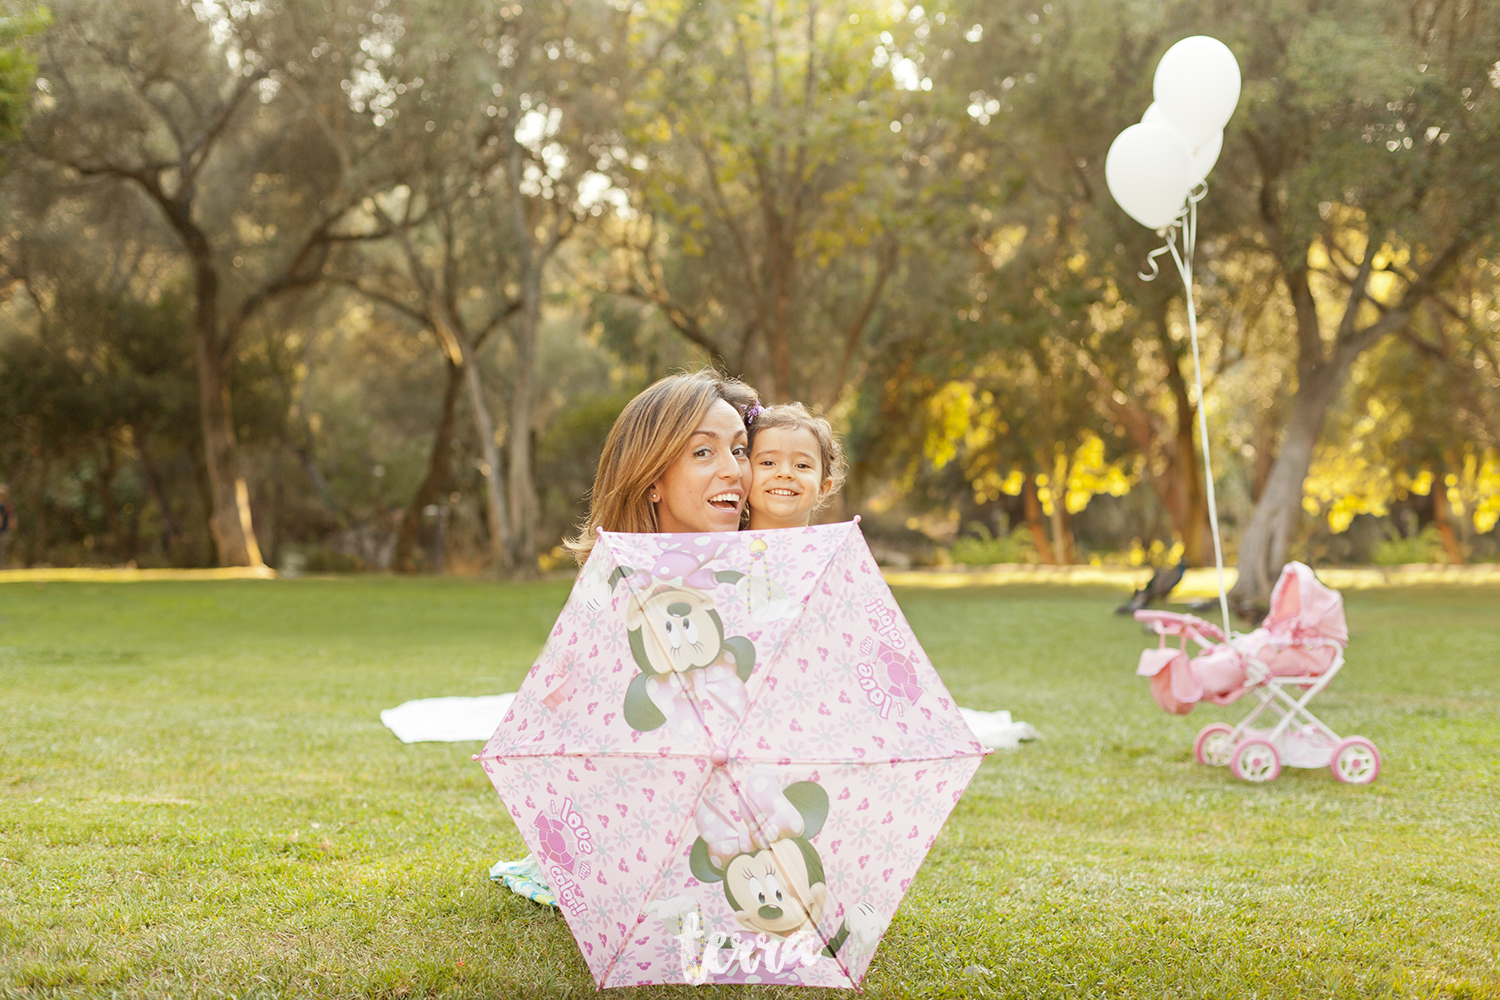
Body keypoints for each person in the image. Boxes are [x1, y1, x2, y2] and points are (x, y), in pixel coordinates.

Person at [565, 369, 760, 564]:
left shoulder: (770, 569)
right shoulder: (617, 587)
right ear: (651, 482)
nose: (734, 471)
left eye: (739, 451)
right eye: (703, 452)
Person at [744, 403, 847, 531]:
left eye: (802, 465)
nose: (785, 473)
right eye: (768, 463)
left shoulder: (830, 549)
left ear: (822, 489)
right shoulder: (721, 547)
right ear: (744, 475)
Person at [0, 483, 13, 569]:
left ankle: (2, 568)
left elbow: (12, 519)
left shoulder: (7, 506)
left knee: (3, 551)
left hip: (4, 532)